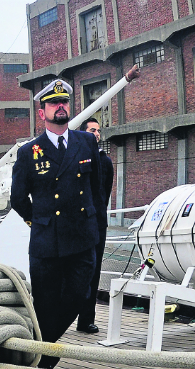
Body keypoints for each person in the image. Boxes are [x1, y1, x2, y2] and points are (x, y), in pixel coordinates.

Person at [11, 79, 104, 369]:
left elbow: (96, 188)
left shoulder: (86, 141)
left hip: (82, 238)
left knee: (79, 297)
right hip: (46, 241)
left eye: (64, 101)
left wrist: (96, 226)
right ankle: (45, 363)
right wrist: (38, 220)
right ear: (42, 113)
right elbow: (17, 198)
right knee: (45, 305)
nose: (60, 106)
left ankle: (41, 351)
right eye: (53, 103)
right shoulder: (29, 152)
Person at [76, 118, 115, 333]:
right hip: (75, 224)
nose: (97, 133)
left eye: (99, 130)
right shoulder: (74, 159)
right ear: (83, 134)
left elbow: (104, 194)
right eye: (92, 130)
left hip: (97, 224)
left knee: (94, 271)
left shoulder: (105, 162)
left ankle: (85, 320)